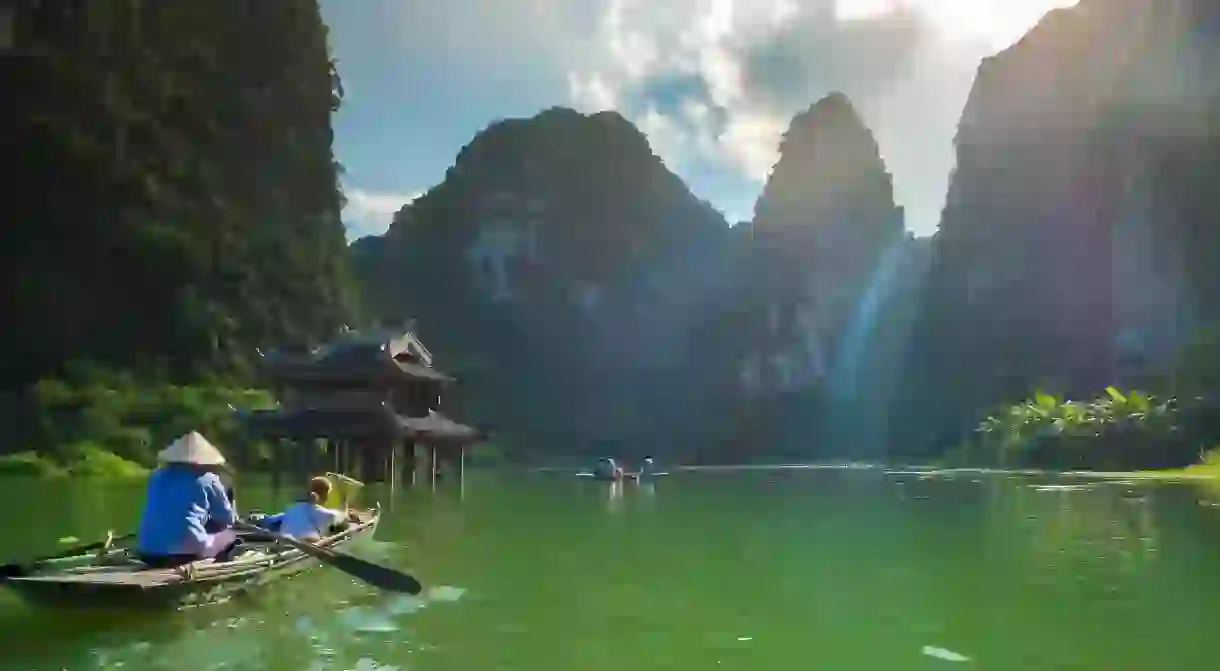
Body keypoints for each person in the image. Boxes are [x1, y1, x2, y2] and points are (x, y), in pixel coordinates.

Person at [136, 431, 238, 567]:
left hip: (146, 551)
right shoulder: (208, 479)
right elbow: (228, 519)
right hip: (185, 554)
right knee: (229, 535)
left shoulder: (155, 477)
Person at [257, 476, 350, 542]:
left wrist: (258, 518)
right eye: (327, 494)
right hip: (303, 544)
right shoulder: (316, 511)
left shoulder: (292, 508)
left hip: (284, 543)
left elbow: (271, 519)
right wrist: (346, 510)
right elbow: (336, 517)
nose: (327, 498)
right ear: (323, 494)